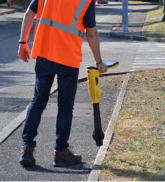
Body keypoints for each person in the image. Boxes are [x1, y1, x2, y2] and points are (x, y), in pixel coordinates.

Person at [18, 0, 107, 167]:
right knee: (65, 106)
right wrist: (99, 61)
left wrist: (23, 43)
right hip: (67, 58)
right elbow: (92, 33)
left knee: (38, 101)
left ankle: (27, 149)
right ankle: (61, 152)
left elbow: (29, 14)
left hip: (44, 52)